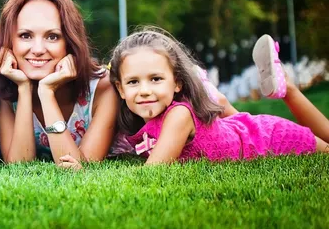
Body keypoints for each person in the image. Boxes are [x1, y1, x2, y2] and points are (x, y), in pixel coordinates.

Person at [71, 27, 329, 167]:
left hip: (268, 138)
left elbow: (154, 173)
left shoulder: (179, 115)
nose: (145, 90)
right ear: (120, 89)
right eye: (133, 82)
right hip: (239, 129)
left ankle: (288, 89)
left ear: (177, 83)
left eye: (156, 79)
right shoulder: (140, 125)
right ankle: (286, 88)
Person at [0, 0, 119, 167]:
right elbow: (19, 166)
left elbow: (80, 167)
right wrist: (24, 89)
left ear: (69, 41)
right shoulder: (4, 89)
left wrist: (46, 92)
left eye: (52, 37)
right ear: (9, 41)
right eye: (25, 35)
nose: (38, 49)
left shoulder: (103, 88)